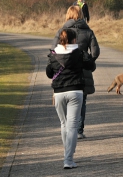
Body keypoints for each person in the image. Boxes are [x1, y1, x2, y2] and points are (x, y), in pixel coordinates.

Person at [46, 29, 96, 169]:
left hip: (59, 93)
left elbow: (49, 73)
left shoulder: (54, 54)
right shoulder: (79, 53)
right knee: (72, 126)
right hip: (75, 91)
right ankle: (68, 159)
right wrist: (86, 56)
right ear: (74, 40)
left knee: (64, 124)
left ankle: (67, 153)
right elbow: (91, 66)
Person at [51, 6, 100, 139]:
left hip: (64, 71)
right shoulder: (88, 31)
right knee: (81, 101)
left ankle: (67, 127)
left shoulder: (62, 31)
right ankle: (78, 130)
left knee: (66, 100)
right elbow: (95, 52)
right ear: (81, 15)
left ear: (68, 15)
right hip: (82, 72)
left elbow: (53, 50)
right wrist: (87, 61)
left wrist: (62, 63)